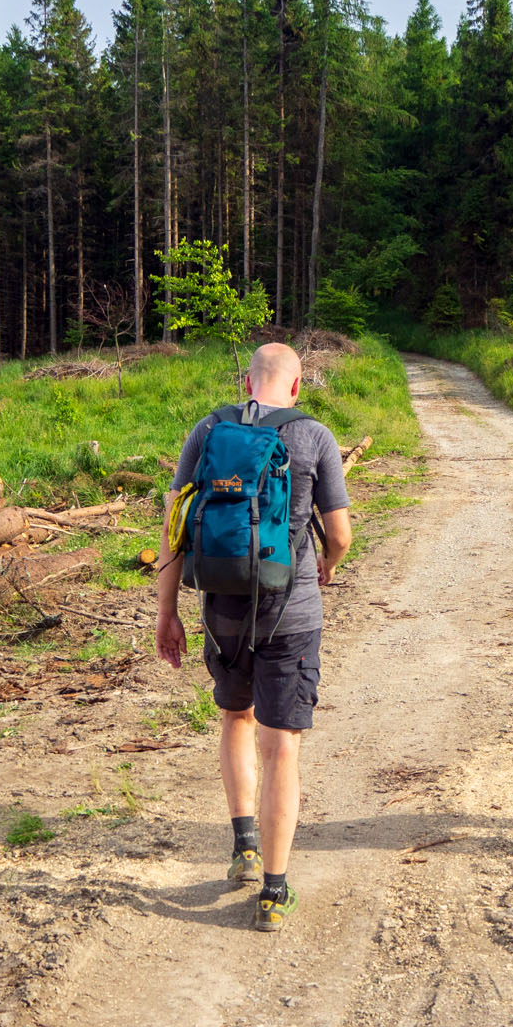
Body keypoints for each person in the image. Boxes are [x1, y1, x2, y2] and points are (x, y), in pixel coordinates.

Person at [155, 343, 353, 930]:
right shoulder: (314, 435)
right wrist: (329, 565)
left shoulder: (209, 428)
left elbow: (173, 527)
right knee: (281, 746)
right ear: (296, 387)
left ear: (247, 381)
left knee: (235, 720)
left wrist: (166, 612)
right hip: (291, 614)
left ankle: (243, 846)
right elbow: (339, 533)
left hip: (222, 609)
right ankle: (274, 888)